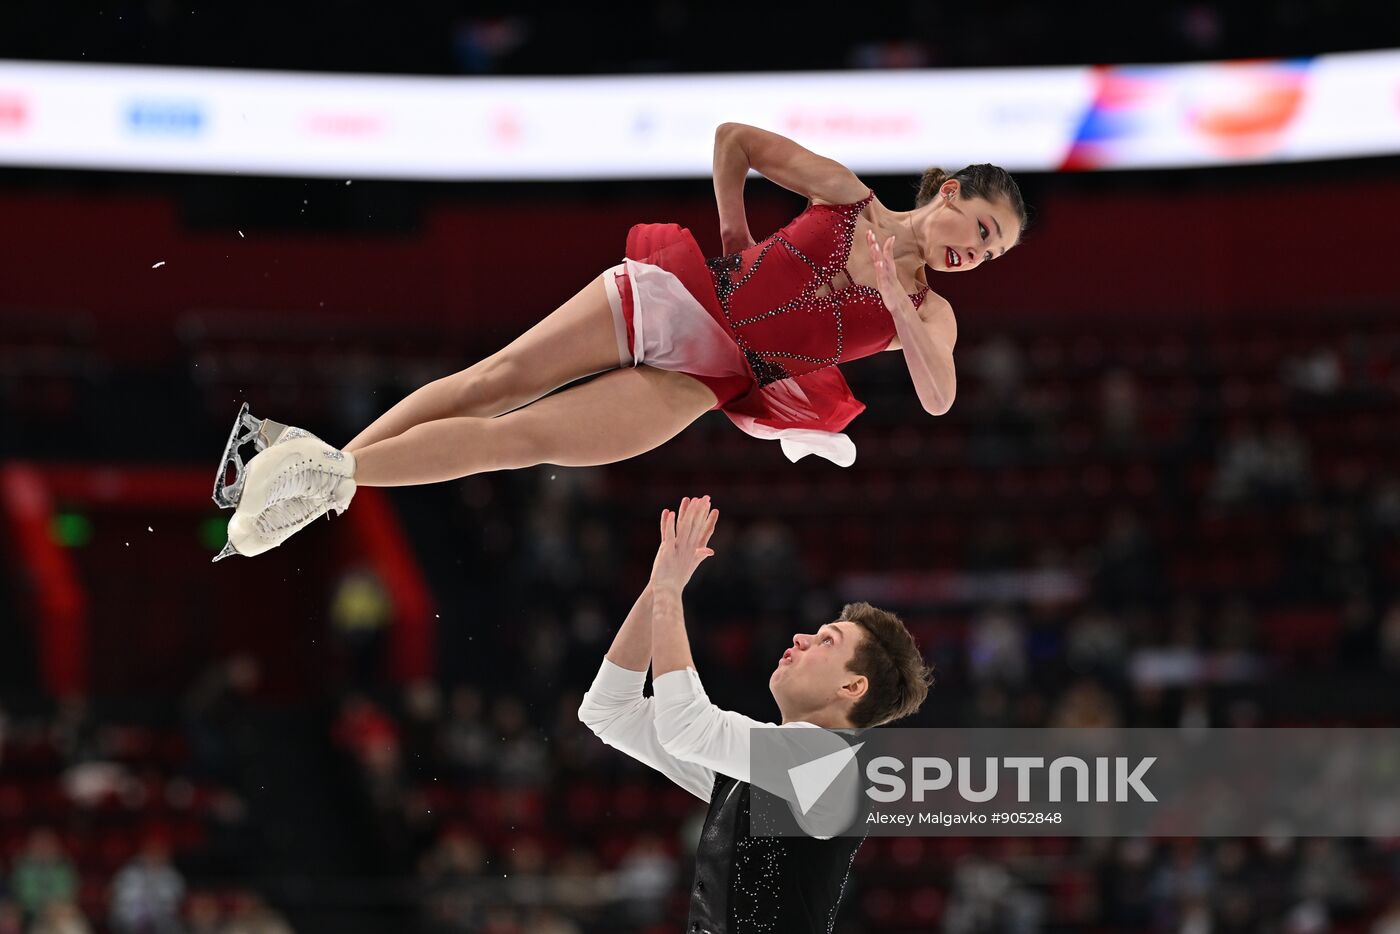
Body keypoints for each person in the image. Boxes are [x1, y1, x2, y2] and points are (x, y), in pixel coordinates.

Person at [212, 124, 1026, 559]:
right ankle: (315, 482)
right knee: (493, 382)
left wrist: (893, 293)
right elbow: (734, 138)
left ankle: (325, 472)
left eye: (993, 255)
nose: (977, 252)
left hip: (708, 381)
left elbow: (938, 393)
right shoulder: (847, 194)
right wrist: (735, 231)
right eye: (981, 228)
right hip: (676, 295)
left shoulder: (928, 312)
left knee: (520, 440)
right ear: (948, 192)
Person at [577, 496, 933, 933]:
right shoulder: (756, 769)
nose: (801, 637)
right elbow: (610, 711)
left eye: (827, 641)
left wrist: (670, 591)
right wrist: (658, 588)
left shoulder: (832, 767)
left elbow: (686, 725)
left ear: (852, 686)